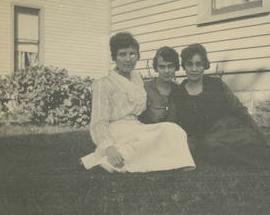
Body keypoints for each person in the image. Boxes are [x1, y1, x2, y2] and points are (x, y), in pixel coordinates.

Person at [80, 32, 195, 173]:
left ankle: (173, 162)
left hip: (136, 126)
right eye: (122, 54)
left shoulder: (136, 79)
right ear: (114, 57)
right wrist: (109, 149)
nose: (128, 59)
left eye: (132, 54)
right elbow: (98, 122)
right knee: (151, 138)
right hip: (116, 129)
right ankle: (107, 162)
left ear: (137, 56)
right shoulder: (103, 84)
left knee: (172, 129)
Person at [169, 43, 270, 168]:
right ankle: (252, 165)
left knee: (250, 139)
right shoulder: (177, 94)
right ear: (184, 66)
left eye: (198, 64)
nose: (194, 69)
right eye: (189, 64)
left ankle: (257, 159)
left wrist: (258, 131)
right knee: (212, 146)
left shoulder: (217, 85)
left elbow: (239, 109)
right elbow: (172, 125)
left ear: (205, 66)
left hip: (230, 131)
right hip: (205, 140)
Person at [138, 46, 180, 124]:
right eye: (162, 67)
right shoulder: (145, 89)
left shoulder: (180, 91)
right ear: (156, 68)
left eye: (170, 66)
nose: (166, 71)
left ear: (176, 67)